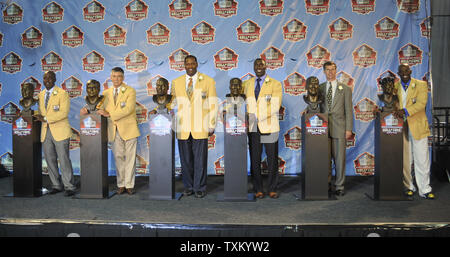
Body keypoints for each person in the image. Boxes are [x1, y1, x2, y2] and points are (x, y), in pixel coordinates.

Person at [170, 55, 218, 198]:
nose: (190, 66)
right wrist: (160, 109)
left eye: (192, 63)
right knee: (185, 160)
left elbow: (213, 104)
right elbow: (171, 103)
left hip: (201, 126)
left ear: (197, 64)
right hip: (182, 127)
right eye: (187, 64)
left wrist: (211, 124)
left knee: (200, 159)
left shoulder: (208, 81)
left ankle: (200, 187)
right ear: (184, 66)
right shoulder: (176, 82)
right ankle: (189, 186)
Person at [393, 64, 434, 199]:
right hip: (402, 127)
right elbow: (393, 104)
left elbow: (421, 104)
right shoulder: (396, 87)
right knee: (406, 160)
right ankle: (409, 186)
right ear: (398, 73)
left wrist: (405, 111)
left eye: (406, 71)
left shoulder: (421, 85)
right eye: (401, 71)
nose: (404, 73)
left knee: (422, 159)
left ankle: (425, 189)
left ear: (410, 71)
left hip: (418, 126)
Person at [243, 58, 283, 199]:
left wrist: (257, 117)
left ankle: (272, 188)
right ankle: (257, 188)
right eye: (256, 65)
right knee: (255, 159)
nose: (259, 67)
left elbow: (275, 106)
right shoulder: (247, 84)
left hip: (270, 126)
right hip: (254, 127)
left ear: (266, 67)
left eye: (261, 64)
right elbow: (239, 99)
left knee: (272, 159)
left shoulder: (275, 84)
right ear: (253, 67)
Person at [97, 67, 140, 195]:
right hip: (113, 130)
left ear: (123, 78)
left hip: (129, 128)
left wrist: (108, 114)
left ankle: (129, 184)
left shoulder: (130, 91)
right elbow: (98, 107)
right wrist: (87, 109)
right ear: (110, 77)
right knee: (118, 157)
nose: (116, 79)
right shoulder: (105, 93)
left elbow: (128, 109)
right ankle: (121, 184)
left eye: (119, 76)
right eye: (114, 76)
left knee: (131, 158)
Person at [34, 71, 76, 197]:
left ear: (55, 79)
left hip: (60, 131)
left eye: (50, 78)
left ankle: (69, 186)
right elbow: (42, 112)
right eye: (45, 78)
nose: (47, 80)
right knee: (50, 160)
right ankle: (56, 185)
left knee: (63, 159)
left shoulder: (62, 93)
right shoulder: (41, 95)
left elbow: (63, 113)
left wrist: (46, 119)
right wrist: (32, 114)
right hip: (45, 132)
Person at [319, 61, 353, 196]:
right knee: (325, 159)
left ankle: (339, 186)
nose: (330, 72)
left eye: (332, 69)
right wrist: (306, 110)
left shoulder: (345, 89)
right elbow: (315, 104)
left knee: (340, 159)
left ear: (336, 70)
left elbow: (349, 111)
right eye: (327, 70)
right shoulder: (320, 88)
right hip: (323, 129)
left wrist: (348, 129)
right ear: (324, 71)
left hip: (340, 127)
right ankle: (326, 184)